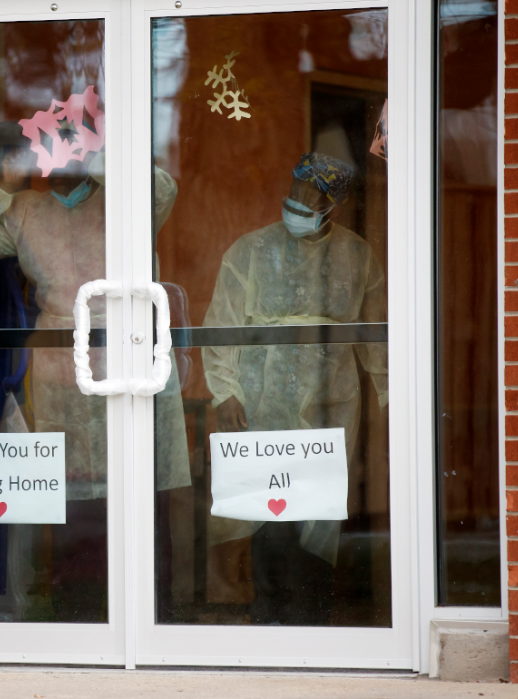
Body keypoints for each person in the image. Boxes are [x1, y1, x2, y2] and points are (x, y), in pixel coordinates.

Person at [0, 103, 191, 620]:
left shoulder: (128, 201)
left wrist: (95, 151)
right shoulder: (27, 209)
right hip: (64, 363)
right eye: (48, 164)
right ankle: (79, 618)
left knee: (143, 493)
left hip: (131, 353)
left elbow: (163, 187)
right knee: (74, 503)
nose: (58, 177)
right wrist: (5, 186)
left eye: (67, 162)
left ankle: (153, 617)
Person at [203, 152, 388, 625]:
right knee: (268, 505)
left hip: (332, 399)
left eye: (315, 197)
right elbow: (222, 322)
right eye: (298, 191)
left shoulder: (357, 255)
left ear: (335, 205)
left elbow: (375, 333)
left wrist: (393, 398)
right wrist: (225, 391)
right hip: (262, 397)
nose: (301, 203)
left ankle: (311, 615)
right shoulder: (252, 248)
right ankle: (267, 613)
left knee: (319, 506)